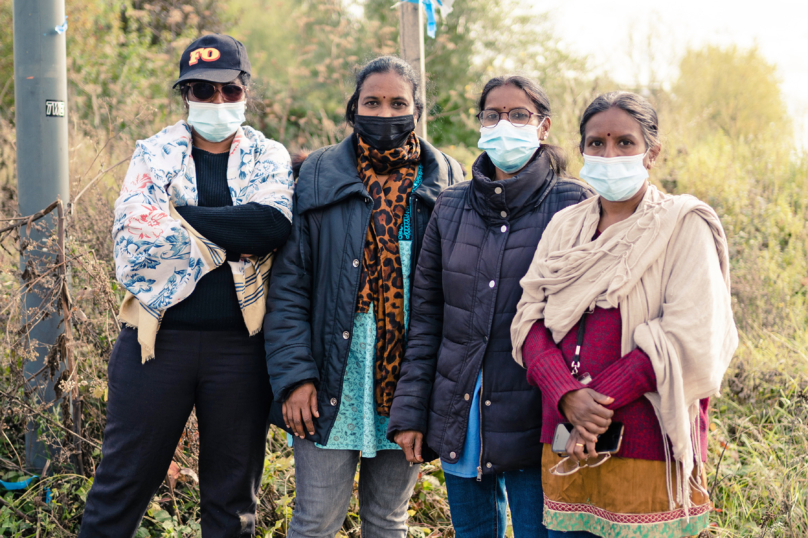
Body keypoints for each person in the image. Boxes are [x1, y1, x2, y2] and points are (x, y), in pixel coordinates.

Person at [79, 34, 294, 537]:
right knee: (123, 482)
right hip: (157, 344)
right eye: (202, 90)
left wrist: (177, 217)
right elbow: (136, 236)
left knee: (232, 499)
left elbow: (270, 225)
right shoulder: (153, 153)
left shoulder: (269, 154)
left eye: (229, 91)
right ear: (186, 96)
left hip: (239, 350)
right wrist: (232, 232)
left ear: (245, 92)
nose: (217, 101)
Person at [510, 91, 739, 538]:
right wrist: (565, 396)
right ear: (581, 151)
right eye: (596, 143)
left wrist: (594, 404)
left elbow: (687, 335)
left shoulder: (682, 224)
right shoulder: (565, 226)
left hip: (647, 442)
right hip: (565, 440)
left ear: (651, 153)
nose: (609, 154)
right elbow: (528, 319)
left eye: (624, 143)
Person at [264, 55, 462, 538]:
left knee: (388, 520)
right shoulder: (316, 175)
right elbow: (289, 287)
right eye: (372, 102)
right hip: (332, 374)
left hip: (407, 383)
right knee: (315, 521)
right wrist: (294, 378)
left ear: (416, 111)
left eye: (398, 102)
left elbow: (455, 297)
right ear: (353, 109)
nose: (385, 112)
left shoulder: (447, 182)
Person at [387, 75, 593, 538]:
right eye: (493, 114)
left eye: (519, 115)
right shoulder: (451, 205)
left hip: (538, 418)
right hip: (463, 414)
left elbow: (585, 324)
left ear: (543, 127)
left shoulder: (574, 203)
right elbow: (428, 320)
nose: (505, 124)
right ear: (480, 123)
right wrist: (411, 412)